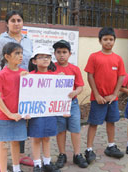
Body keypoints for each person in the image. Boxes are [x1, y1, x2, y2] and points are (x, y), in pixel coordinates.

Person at [0, 10, 33, 172]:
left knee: (20, 120)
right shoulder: (0, 42)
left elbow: (30, 63)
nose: (16, 23)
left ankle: (19, 155)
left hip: (23, 90)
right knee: (3, 124)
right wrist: (2, 82)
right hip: (5, 90)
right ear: (7, 23)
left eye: (19, 20)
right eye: (13, 20)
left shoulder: (28, 41)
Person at [84, 27, 126, 162]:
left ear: (114, 41)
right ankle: (89, 149)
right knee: (94, 123)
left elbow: (121, 77)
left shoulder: (118, 59)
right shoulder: (94, 57)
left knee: (111, 122)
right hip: (98, 99)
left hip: (112, 99)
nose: (108, 42)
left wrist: (114, 94)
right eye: (105, 39)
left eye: (111, 39)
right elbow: (90, 76)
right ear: (100, 41)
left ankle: (111, 146)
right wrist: (96, 95)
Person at [0, 42, 28, 172]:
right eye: (17, 53)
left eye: (21, 53)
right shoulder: (1, 74)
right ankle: (4, 169)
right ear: (7, 56)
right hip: (4, 117)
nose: (20, 56)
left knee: (16, 142)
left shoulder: (24, 73)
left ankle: (16, 168)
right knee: (4, 145)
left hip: (19, 115)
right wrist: (9, 114)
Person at [52, 40, 88, 169]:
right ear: (54, 54)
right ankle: (62, 154)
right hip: (58, 105)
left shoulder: (74, 68)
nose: (62, 55)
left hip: (72, 104)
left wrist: (75, 92)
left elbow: (80, 86)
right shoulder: (51, 68)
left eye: (64, 52)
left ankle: (77, 154)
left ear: (69, 54)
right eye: (59, 52)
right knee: (60, 131)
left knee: (75, 130)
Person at [27, 46, 60, 172]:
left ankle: (47, 162)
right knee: (36, 138)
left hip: (50, 113)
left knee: (47, 137)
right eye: (41, 57)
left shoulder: (55, 76)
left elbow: (60, 94)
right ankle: (37, 164)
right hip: (35, 113)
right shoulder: (29, 76)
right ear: (34, 61)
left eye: (47, 57)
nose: (45, 59)